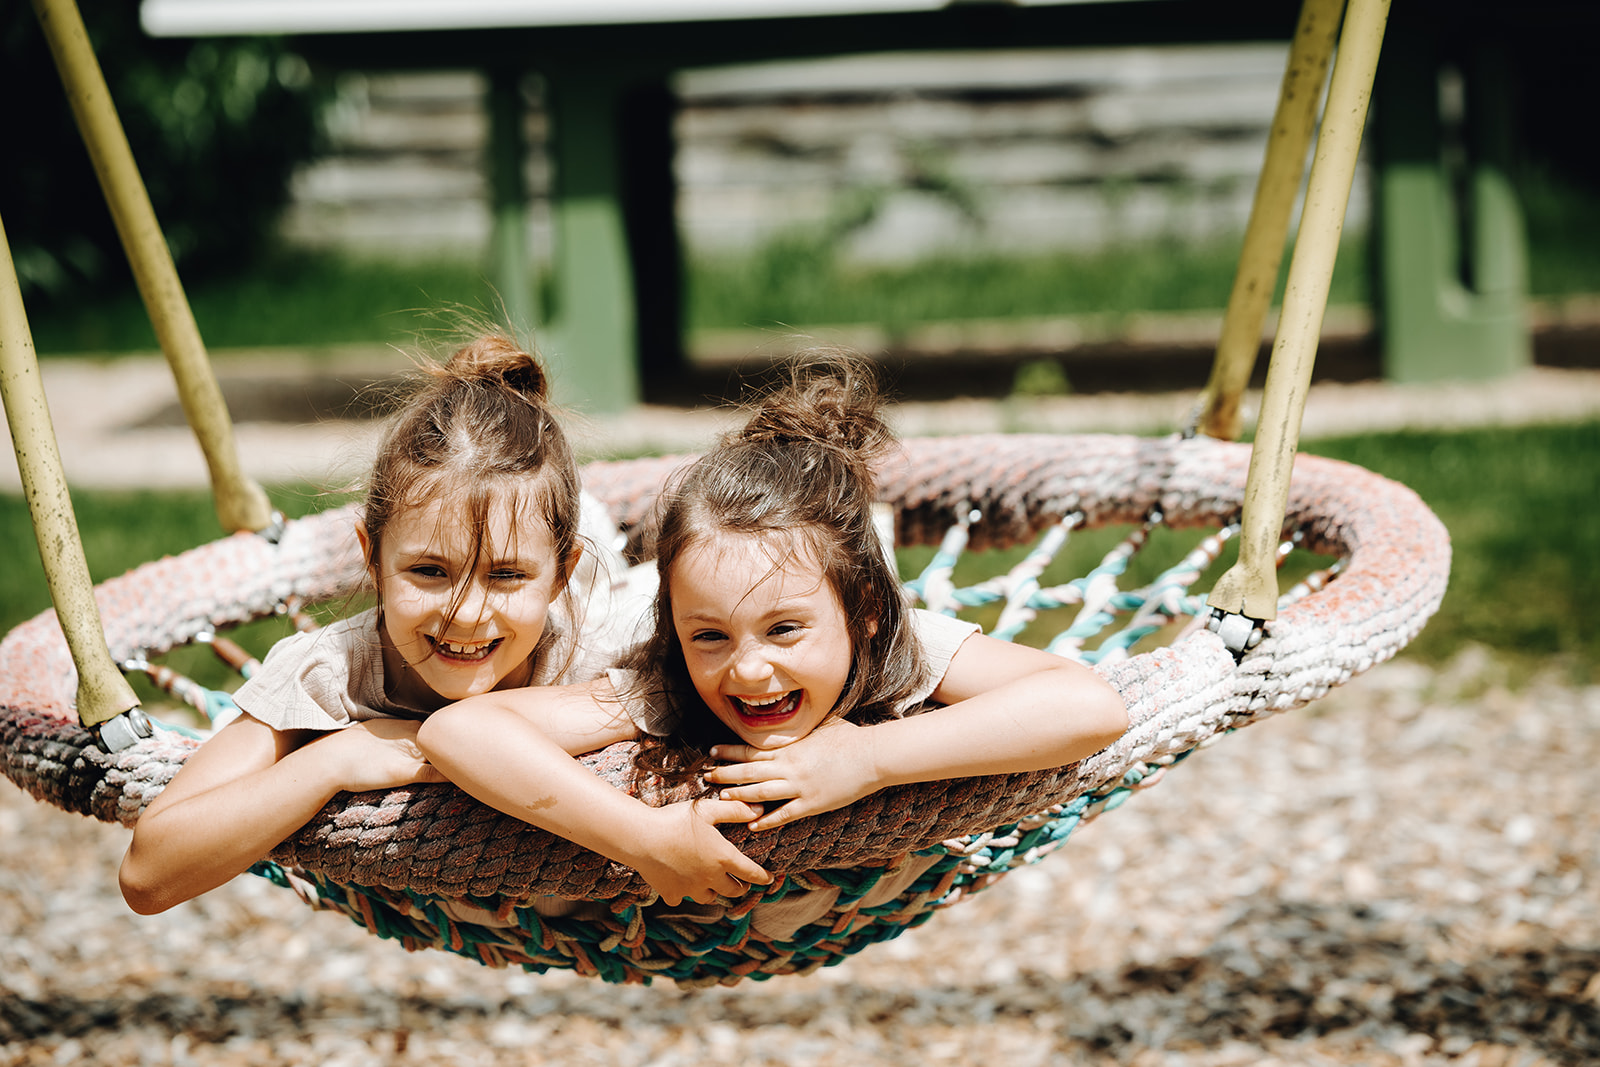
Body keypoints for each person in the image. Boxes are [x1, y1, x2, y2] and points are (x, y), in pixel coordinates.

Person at [416, 357, 1129, 928]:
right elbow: (461, 728)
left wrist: (868, 757)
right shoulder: (668, 676)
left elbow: (1088, 705)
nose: (749, 668)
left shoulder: (896, 643)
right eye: (710, 636)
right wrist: (641, 837)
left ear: (868, 612)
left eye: (784, 628)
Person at [118, 333, 759, 915]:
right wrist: (334, 759)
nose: (467, 614)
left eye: (504, 577)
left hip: (615, 592)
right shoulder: (327, 672)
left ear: (558, 577)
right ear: (370, 560)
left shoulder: (605, 646)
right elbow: (150, 874)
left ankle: (571, 533)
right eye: (428, 571)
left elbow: (788, 680)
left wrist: (865, 761)